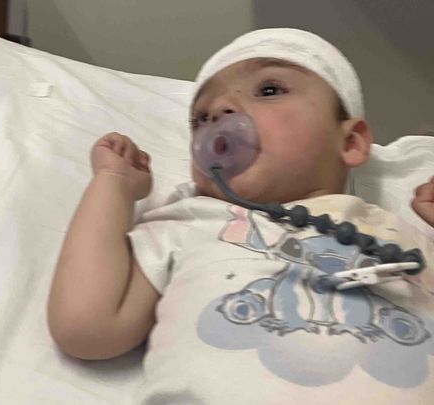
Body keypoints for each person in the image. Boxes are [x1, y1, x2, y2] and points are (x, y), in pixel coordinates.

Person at [47, 28, 434, 403]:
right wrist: (113, 184)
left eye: (269, 90)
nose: (218, 111)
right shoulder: (194, 218)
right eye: (201, 118)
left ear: (350, 142)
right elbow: (86, 326)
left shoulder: (396, 234)